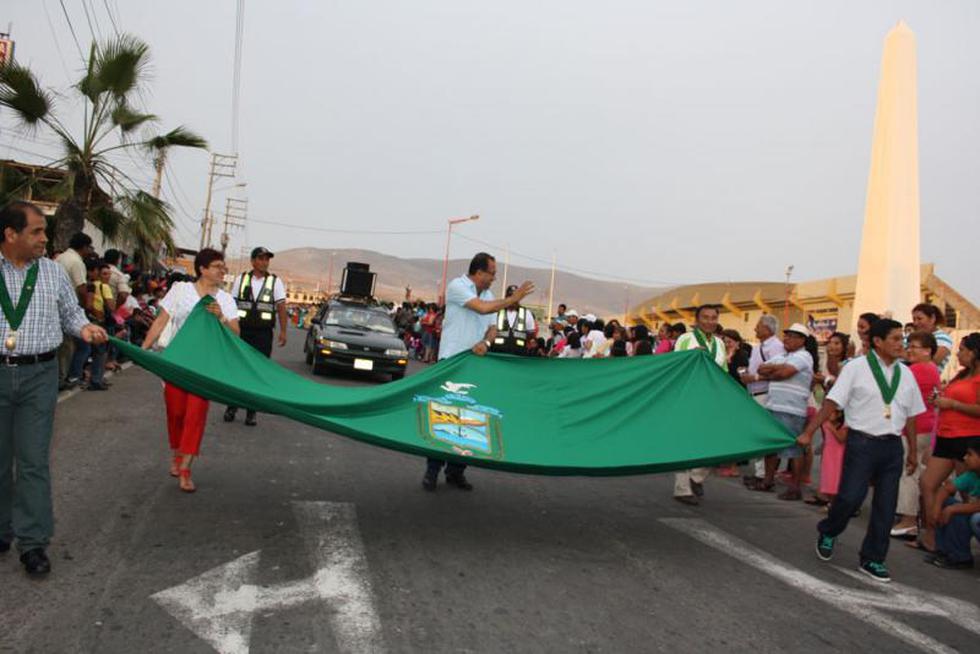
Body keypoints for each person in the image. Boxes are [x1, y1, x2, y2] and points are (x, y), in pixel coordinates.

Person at [0, 201, 108, 577]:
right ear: (10, 235)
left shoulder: (53, 273)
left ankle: (33, 542)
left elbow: (71, 315)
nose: (44, 239)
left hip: (38, 375)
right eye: (36, 231)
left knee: (32, 461)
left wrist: (85, 329)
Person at [796, 318, 925, 582]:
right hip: (862, 443)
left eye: (902, 339)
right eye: (896, 339)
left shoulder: (906, 373)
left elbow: (911, 415)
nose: (901, 344)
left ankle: (873, 558)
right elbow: (832, 403)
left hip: (892, 446)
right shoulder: (857, 368)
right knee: (850, 498)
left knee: (885, 506)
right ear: (877, 342)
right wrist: (809, 431)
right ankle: (830, 530)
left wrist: (912, 450)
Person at [422, 253, 534, 492]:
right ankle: (432, 471)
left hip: (474, 363)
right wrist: (512, 298)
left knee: (471, 418)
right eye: (492, 273)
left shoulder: (490, 296)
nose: (494, 278)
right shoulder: (457, 286)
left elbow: (492, 326)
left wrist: (487, 343)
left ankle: (456, 470)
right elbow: (482, 309)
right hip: (451, 361)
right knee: (444, 416)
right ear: (479, 272)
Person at [142, 249, 240, 492]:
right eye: (217, 266)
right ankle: (178, 452)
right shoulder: (181, 291)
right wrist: (143, 349)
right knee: (176, 413)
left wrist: (222, 319)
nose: (222, 270)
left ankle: (186, 468)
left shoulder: (226, 300)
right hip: (176, 362)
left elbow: (236, 334)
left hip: (204, 367)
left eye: (223, 266)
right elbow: (161, 321)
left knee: (195, 415)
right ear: (202, 269)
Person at [915, 332, 980, 553]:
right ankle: (931, 534)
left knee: (968, 492)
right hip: (945, 435)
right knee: (927, 483)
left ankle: (959, 542)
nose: (958, 353)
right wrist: (941, 401)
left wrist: (952, 404)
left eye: (962, 350)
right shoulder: (961, 375)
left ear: (974, 353)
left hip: (967, 438)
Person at [223, 247, 287, 426]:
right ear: (252, 261)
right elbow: (231, 304)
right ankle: (232, 407)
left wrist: (283, 331)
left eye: (267, 259)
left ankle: (251, 412)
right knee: (237, 370)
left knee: (256, 372)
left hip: (263, 334)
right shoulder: (241, 279)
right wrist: (227, 325)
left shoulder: (275, 282)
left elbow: (281, 307)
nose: (264, 262)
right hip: (241, 331)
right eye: (261, 258)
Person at [751, 324, 816, 499]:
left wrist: (775, 371)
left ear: (802, 340)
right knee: (772, 447)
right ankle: (768, 480)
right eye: (786, 335)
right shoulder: (783, 356)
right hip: (774, 404)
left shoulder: (804, 356)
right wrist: (777, 370)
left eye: (792, 336)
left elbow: (784, 373)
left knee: (794, 449)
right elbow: (761, 368)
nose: (787, 339)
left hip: (792, 407)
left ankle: (795, 488)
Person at [672, 305, 726, 506]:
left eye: (713, 318)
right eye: (705, 317)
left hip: (711, 398)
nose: (710, 321)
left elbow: (723, 371)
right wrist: (692, 356)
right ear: (696, 319)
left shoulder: (720, 343)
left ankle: (697, 477)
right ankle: (682, 488)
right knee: (686, 441)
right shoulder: (686, 339)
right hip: (688, 397)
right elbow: (676, 365)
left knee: (714, 441)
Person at [891, 332, 941, 538]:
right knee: (916, 472)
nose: (909, 349)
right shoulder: (931, 369)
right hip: (924, 426)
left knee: (908, 473)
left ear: (928, 350)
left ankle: (909, 519)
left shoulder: (918, 369)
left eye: (915, 346)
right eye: (908, 345)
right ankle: (914, 518)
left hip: (914, 427)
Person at [740, 315, 786, 486]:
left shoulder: (775, 346)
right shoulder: (760, 346)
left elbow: (778, 369)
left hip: (765, 393)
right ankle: (760, 472)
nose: (755, 329)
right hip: (756, 392)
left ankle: (764, 474)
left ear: (767, 328)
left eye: (758, 326)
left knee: (763, 434)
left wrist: (755, 377)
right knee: (758, 433)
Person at [928, 443, 980, 570]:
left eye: (970, 454)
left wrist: (953, 509)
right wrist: (935, 509)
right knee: (946, 503)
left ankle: (961, 557)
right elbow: (944, 490)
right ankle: (944, 551)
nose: (965, 457)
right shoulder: (972, 475)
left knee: (972, 517)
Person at [55, 232, 94, 389]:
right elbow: (81, 287)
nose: (91, 250)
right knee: (69, 347)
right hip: (68, 310)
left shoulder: (61, 258)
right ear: (84, 247)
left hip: (56, 307)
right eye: (90, 247)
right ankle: (64, 378)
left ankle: (62, 377)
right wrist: (85, 306)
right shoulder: (77, 262)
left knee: (62, 347)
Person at [491, 284, 536, 355]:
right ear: (506, 297)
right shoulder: (497, 311)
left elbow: (531, 334)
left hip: (518, 355)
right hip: (497, 353)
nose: (513, 299)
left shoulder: (526, 313)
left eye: (516, 297)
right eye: (511, 297)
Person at [910, 303, 954, 373]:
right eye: (914, 319)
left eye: (919, 319)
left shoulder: (943, 339)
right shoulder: (912, 337)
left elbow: (933, 361)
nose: (915, 323)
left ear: (932, 318)